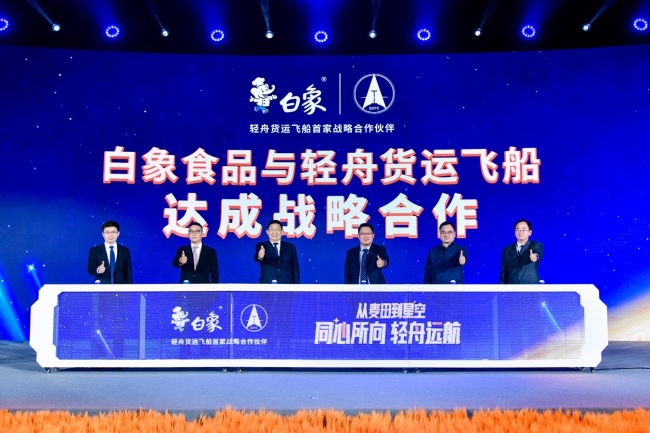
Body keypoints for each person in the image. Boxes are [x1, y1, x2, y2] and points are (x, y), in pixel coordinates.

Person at [500, 219, 544, 284]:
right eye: (518, 230)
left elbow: (538, 254)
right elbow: (504, 272)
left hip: (530, 286)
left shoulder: (536, 245)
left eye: (524, 229)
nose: (521, 232)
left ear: (530, 232)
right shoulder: (507, 249)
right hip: (512, 286)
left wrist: (535, 257)